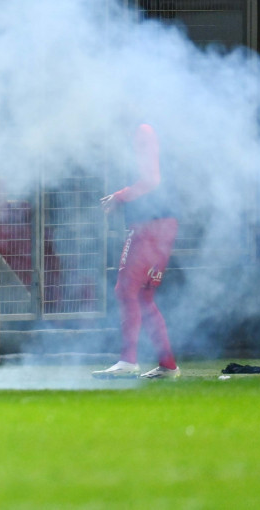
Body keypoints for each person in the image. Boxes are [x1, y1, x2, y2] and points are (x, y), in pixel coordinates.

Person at [93, 123, 180, 380]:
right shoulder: (145, 134)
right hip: (162, 226)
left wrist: (120, 196)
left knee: (125, 289)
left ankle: (128, 360)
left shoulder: (143, 132)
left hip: (149, 228)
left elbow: (152, 179)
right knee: (143, 297)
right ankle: (168, 365)